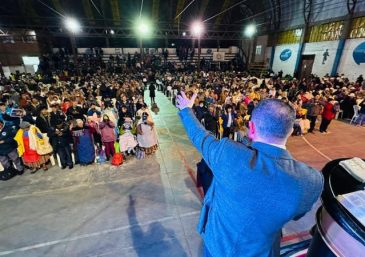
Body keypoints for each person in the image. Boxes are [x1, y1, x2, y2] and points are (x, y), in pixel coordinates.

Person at [176, 92, 323, 257]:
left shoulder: (228, 154)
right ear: (290, 131)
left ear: (251, 127)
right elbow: (298, 214)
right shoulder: (311, 181)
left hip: (218, 246)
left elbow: (200, 137)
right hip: (262, 251)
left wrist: (187, 110)